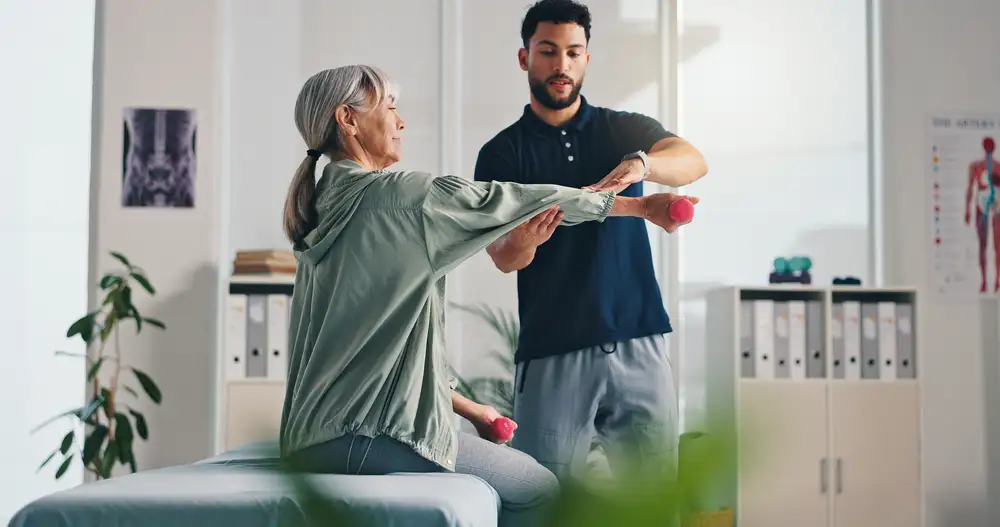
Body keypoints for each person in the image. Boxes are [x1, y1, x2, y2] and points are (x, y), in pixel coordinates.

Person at [277, 64, 697, 527]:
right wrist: (639, 207)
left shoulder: (319, 212)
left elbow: (366, 352)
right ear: (348, 120)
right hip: (371, 436)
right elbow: (512, 199)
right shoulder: (403, 200)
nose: (401, 122)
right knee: (539, 488)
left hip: (309, 438)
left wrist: (468, 407)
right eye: (390, 107)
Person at [473, 0, 709, 485]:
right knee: (544, 495)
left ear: (586, 59)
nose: (561, 65)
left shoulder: (623, 130)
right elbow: (503, 258)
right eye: (548, 51)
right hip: (553, 350)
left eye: (573, 52)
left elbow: (692, 161)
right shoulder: (501, 152)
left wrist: (644, 165)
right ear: (525, 58)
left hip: (639, 338)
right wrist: (528, 239)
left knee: (653, 498)